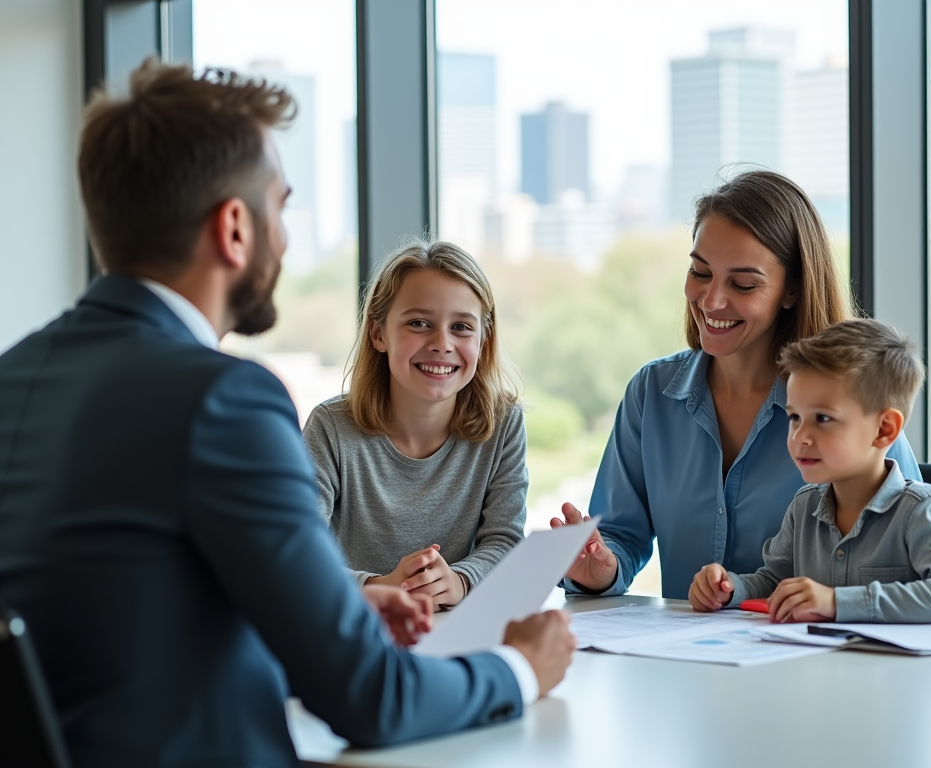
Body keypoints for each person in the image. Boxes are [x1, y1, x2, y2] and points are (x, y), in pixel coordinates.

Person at [0, 60, 574, 768]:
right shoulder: (223, 400)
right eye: (282, 204)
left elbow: (126, 599)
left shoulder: (13, 376)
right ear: (235, 227)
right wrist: (520, 667)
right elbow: (370, 698)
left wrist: (342, 607)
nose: (287, 235)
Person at [552, 170, 921, 599]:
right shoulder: (651, 394)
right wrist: (599, 568)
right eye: (700, 272)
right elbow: (618, 533)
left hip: (819, 657)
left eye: (743, 284)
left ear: (792, 291)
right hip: (690, 656)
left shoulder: (852, 404)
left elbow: (908, 554)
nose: (711, 301)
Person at [688, 319, 931, 625]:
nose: (801, 436)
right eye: (795, 417)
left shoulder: (921, 510)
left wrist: (836, 602)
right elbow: (775, 581)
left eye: (823, 418)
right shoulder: (804, 507)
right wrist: (731, 588)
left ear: (884, 429)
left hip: (898, 671)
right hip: (821, 667)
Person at [303, 240, 525, 611]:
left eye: (461, 327)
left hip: (455, 632)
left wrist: (459, 580)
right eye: (419, 323)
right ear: (378, 334)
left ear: (484, 341)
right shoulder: (330, 428)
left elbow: (504, 541)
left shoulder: (503, 423)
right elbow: (297, 549)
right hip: (355, 629)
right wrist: (376, 586)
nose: (442, 343)